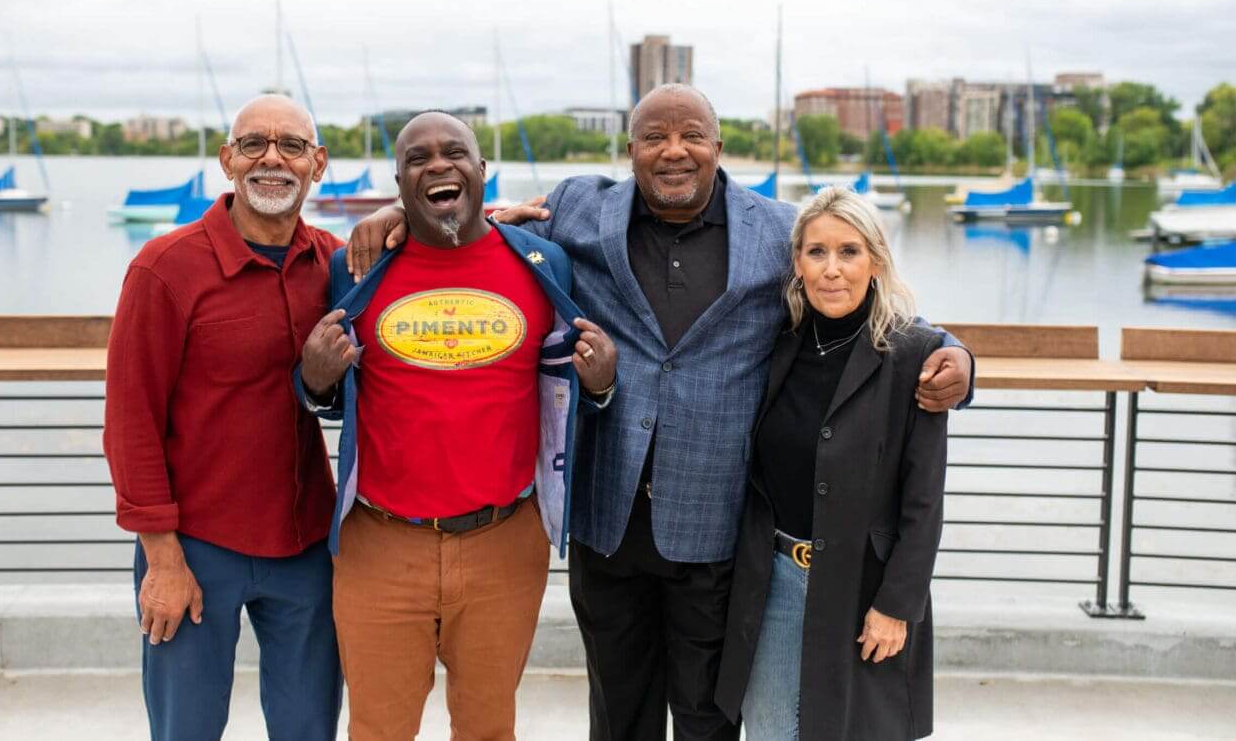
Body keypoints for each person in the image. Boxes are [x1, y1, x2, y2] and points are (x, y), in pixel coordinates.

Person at [344, 84, 972, 741]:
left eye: (692, 135)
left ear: (719, 147)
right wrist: (393, 214)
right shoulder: (577, 211)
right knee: (618, 716)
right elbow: (467, 218)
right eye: (655, 137)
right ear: (631, 149)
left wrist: (957, 356)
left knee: (708, 718)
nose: (675, 150)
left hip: (717, 526)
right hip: (608, 524)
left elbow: (868, 294)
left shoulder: (778, 230)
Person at [295, 111, 619, 741]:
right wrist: (313, 380)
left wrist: (603, 385)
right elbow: (330, 397)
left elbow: (571, 391)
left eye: (454, 153)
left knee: (488, 728)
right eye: (418, 159)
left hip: (505, 541)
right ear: (398, 182)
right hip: (380, 544)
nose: (438, 165)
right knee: (378, 730)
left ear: (481, 171)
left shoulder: (543, 264)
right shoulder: (355, 271)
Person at [103, 94, 344, 741]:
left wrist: (492, 221)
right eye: (254, 143)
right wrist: (162, 557)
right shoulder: (165, 267)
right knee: (188, 728)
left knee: (309, 727)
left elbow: (418, 273)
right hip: (194, 547)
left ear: (317, 163)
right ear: (227, 159)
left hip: (306, 547)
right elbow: (130, 421)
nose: (273, 157)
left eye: (291, 145)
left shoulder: (336, 264)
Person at [715, 186, 949, 740]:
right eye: (816, 252)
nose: (832, 269)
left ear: (875, 260)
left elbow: (925, 500)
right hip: (772, 585)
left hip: (863, 593)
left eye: (849, 251)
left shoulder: (913, 355)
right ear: (797, 262)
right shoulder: (778, 343)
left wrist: (896, 604)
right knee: (772, 732)